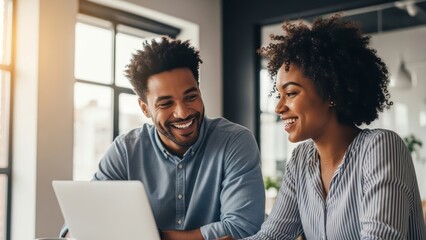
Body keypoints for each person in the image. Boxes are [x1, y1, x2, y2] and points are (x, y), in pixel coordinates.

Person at [238, 14, 425, 239]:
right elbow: (272, 235)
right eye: (278, 95)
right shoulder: (300, 161)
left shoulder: (380, 148)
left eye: (290, 93)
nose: (278, 108)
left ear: (331, 94)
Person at [61, 36, 265, 240]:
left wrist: (151, 237)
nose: (183, 113)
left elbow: (243, 228)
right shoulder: (126, 150)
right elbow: (78, 225)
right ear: (145, 108)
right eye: (166, 104)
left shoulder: (235, 141)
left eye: (191, 97)